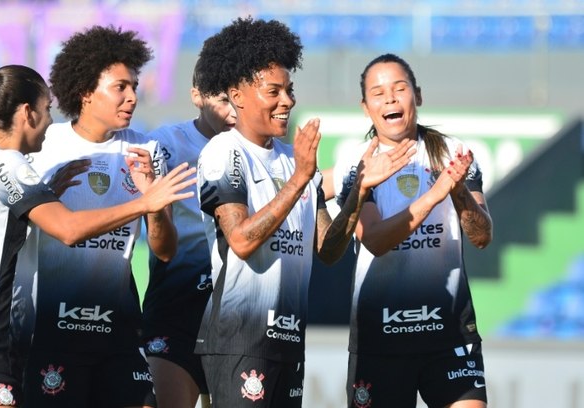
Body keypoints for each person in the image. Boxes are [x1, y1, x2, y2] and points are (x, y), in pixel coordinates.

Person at [0, 65, 195, 408]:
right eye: (45, 110)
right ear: (27, 113)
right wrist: (146, 202)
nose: (49, 120)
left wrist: (34, 204)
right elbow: (69, 230)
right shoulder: (9, 165)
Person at [193, 17, 416, 408]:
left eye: (290, 90)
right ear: (238, 94)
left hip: (289, 341)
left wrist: (357, 193)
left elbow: (328, 251)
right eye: (273, 91)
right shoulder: (224, 152)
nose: (287, 101)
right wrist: (299, 179)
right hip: (239, 341)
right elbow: (242, 240)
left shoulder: (291, 161)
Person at [333, 53, 493, 408]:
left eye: (399, 88)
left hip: (449, 332)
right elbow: (374, 240)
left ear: (417, 96)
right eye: (378, 92)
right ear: (365, 108)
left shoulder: (454, 153)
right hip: (381, 338)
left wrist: (458, 190)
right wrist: (436, 195)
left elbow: (482, 236)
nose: (389, 98)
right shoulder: (357, 164)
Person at [21, 26, 167, 408]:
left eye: (134, 86)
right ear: (86, 91)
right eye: (120, 86)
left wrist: (153, 198)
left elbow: (165, 250)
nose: (133, 96)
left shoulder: (147, 150)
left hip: (118, 328)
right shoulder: (43, 147)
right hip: (50, 329)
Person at [141, 57, 236, 408]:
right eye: (222, 99)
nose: (232, 110)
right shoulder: (167, 142)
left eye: (236, 98)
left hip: (235, 314)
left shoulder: (257, 149)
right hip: (176, 308)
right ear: (196, 95)